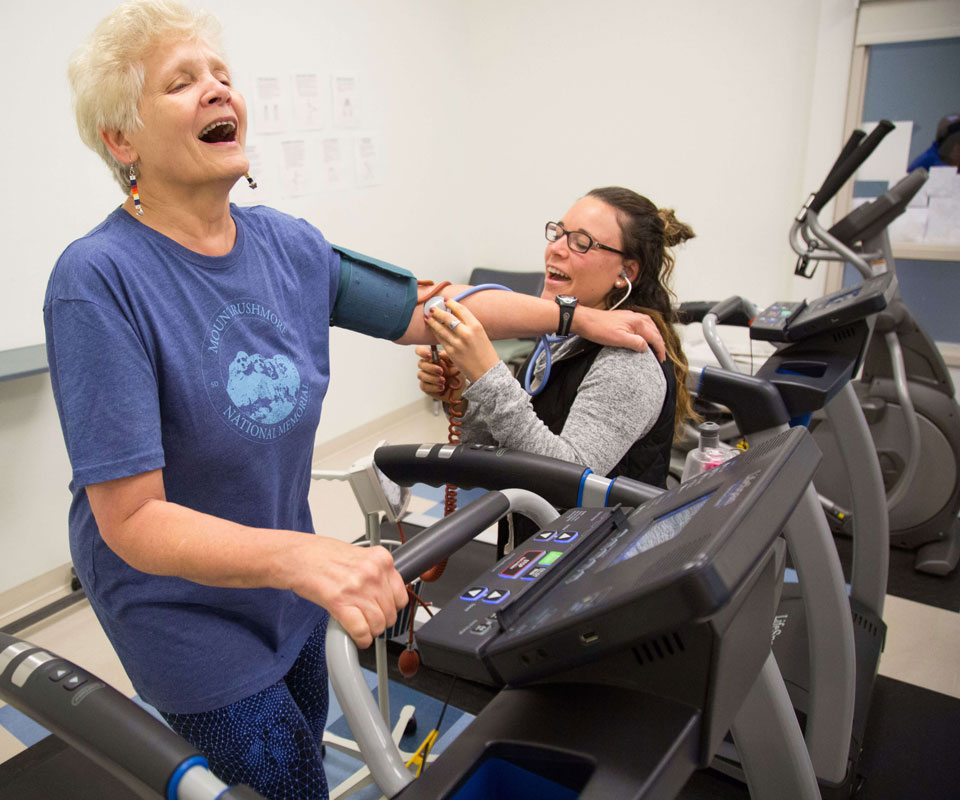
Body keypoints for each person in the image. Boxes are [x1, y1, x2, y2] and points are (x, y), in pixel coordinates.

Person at [46, 2, 666, 797]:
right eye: (182, 82)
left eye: (223, 76)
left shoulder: (287, 246)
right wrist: (310, 557)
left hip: (288, 574)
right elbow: (129, 519)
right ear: (121, 139)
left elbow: (435, 309)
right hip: (183, 606)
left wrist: (583, 319)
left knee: (304, 737)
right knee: (279, 776)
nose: (217, 91)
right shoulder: (98, 282)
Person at [416, 187, 697, 517]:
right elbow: (504, 451)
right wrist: (464, 396)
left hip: (598, 556)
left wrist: (488, 374)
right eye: (559, 233)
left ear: (626, 273)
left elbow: (566, 482)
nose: (556, 249)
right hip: (540, 540)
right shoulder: (562, 337)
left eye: (581, 243)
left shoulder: (627, 359)